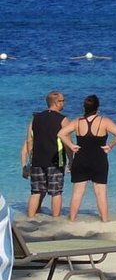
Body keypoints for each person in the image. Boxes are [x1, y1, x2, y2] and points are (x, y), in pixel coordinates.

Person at [62, 94, 116, 223]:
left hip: (81, 159)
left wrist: (72, 145)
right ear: (98, 108)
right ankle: (105, 220)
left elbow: (61, 134)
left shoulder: (77, 121)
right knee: (100, 193)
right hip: (99, 160)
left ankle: (72, 219)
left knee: (78, 192)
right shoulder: (104, 121)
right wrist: (110, 146)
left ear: (84, 108)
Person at [19, 90, 74, 219]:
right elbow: (68, 143)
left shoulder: (35, 118)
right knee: (56, 192)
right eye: (62, 100)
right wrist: (71, 161)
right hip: (55, 161)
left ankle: (30, 218)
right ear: (56, 102)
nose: (64, 103)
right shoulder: (63, 120)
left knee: (36, 192)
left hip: (37, 161)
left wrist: (28, 162)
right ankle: (55, 220)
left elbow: (29, 141)